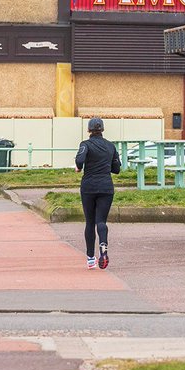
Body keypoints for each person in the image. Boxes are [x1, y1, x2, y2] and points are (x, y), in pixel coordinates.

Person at [74, 116, 120, 270]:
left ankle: (90, 258)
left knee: (90, 222)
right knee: (101, 221)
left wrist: (79, 167)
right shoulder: (110, 146)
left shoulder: (85, 144)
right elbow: (117, 169)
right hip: (106, 187)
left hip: (89, 187)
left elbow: (79, 161)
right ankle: (103, 248)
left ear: (89, 130)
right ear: (102, 130)